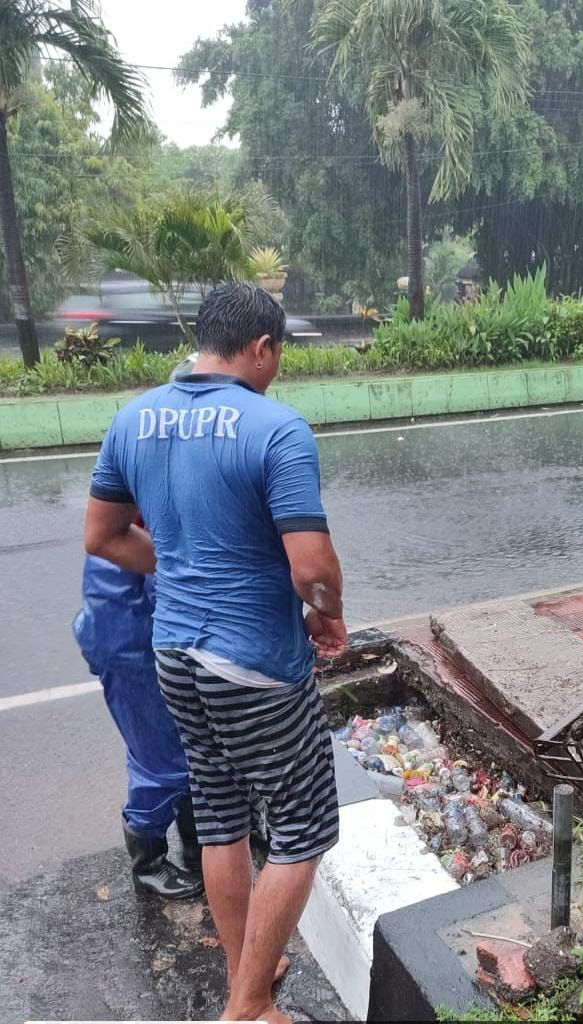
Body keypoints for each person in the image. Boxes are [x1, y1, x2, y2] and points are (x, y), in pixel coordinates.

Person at [83, 282, 347, 1024]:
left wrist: (181, 566)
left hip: (176, 653)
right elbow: (313, 570)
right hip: (255, 663)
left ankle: (245, 977)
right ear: (260, 347)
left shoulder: (133, 418)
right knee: (303, 828)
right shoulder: (276, 428)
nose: (279, 367)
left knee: (222, 814)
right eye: (279, 354)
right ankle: (247, 1008)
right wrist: (328, 618)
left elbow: (102, 536)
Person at [73, 549, 203, 899]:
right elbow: (168, 589)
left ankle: (198, 847)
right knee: (161, 759)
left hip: (136, 641)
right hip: (133, 650)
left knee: (189, 749)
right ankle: (148, 864)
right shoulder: (138, 518)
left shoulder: (137, 510)